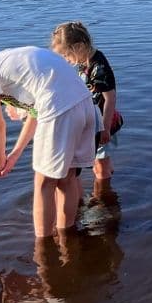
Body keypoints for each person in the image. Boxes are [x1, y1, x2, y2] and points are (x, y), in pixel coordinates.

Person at [0, 34, 98, 237]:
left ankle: (43, 244)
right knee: (66, 178)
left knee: (43, 183)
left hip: (60, 109)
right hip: (86, 106)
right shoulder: (10, 60)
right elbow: (35, 114)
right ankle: (66, 234)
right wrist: (14, 155)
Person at [51, 22, 121, 183]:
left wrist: (105, 128)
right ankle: (103, 196)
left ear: (79, 46)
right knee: (99, 160)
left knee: (100, 164)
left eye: (67, 55)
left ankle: (104, 200)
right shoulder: (85, 61)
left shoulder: (99, 67)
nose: (66, 60)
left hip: (103, 122)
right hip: (92, 121)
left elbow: (110, 98)